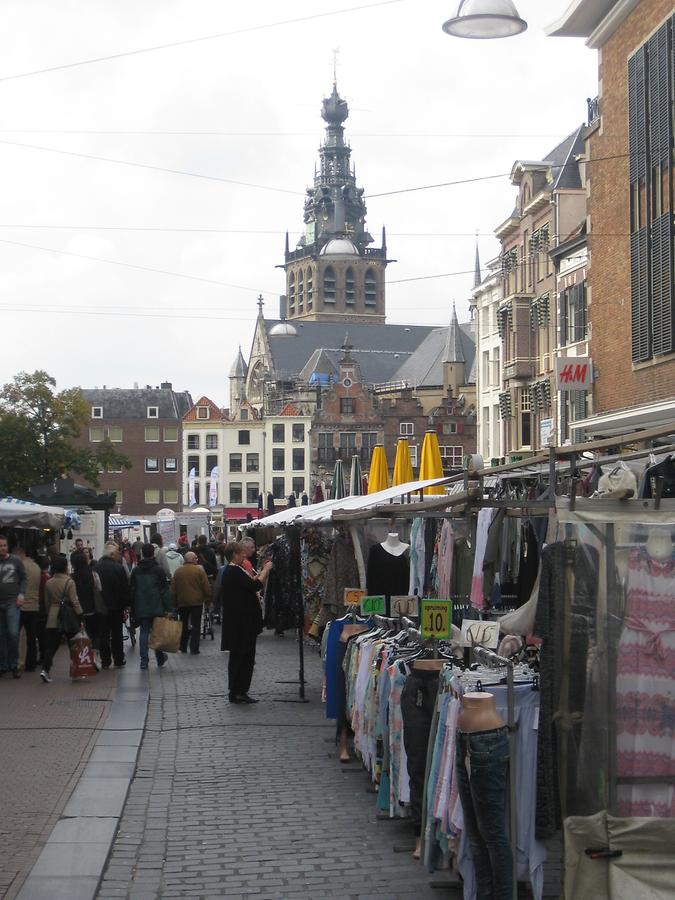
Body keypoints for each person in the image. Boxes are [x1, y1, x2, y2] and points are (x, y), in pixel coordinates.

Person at [220, 541, 272, 704]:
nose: (244, 555)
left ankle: (238, 690)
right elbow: (255, 585)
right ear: (234, 555)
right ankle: (238, 691)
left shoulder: (234, 571)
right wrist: (266, 570)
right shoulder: (234, 571)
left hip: (241, 622)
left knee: (241, 656)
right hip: (241, 624)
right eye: (241, 552)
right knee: (243, 656)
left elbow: (248, 584)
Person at [40, 555, 83, 683]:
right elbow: (75, 601)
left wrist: (51, 613)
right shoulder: (69, 582)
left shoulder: (49, 582)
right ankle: (76, 670)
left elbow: (47, 602)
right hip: (68, 618)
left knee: (51, 646)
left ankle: (45, 670)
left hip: (54, 616)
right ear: (65, 567)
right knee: (74, 645)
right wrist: (80, 615)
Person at [130, 543, 169, 670]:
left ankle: (144, 660)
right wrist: (168, 607)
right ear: (153, 553)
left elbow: (132, 589)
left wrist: (132, 606)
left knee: (144, 631)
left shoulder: (136, 570)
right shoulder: (158, 570)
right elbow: (164, 590)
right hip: (156, 605)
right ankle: (159, 658)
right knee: (156, 633)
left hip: (141, 605)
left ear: (142, 553)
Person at [97, 542, 131, 668]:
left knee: (103, 634)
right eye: (117, 553)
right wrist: (126, 604)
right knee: (117, 633)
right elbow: (124, 588)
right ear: (111, 555)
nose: (119, 555)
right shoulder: (118, 568)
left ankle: (105, 659)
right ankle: (118, 658)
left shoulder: (96, 568)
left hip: (101, 607)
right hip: (116, 607)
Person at [170, 551, 211, 654]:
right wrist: (207, 599)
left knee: (183, 624)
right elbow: (206, 587)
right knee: (196, 625)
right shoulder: (199, 571)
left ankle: (183, 646)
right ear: (192, 560)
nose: (197, 560)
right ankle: (194, 648)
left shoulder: (178, 572)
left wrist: (174, 603)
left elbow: (173, 590)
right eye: (196, 558)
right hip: (197, 602)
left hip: (182, 602)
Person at [0, 535, 26, 679]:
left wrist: (21, 594)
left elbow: (23, 578)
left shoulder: (15, 560)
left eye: (4, 545)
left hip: (12, 602)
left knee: (13, 633)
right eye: (0, 546)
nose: (2, 548)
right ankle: (3, 665)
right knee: (1, 635)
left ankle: (14, 664)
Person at [71, 551, 103, 666]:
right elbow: (99, 588)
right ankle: (94, 656)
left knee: (81, 635)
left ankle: (81, 659)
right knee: (95, 634)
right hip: (93, 608)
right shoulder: (93, 574)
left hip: (78, 611)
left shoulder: (72, 577)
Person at [15, 547, 42, 672]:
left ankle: (17, 662)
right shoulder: (36, 567)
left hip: (21, 606)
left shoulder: (20, 566)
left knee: (17, 636)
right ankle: (31, 664)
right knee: (31, 638)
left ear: (19, 555)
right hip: (34, 606)